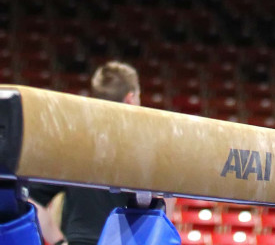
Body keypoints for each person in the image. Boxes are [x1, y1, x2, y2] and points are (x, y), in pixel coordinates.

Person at [30, 62, 175, 245]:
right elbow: (163, 213)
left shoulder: (74, 143)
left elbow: (32, 199)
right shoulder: (146, 145)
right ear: (130, 98)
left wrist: (58, 242)